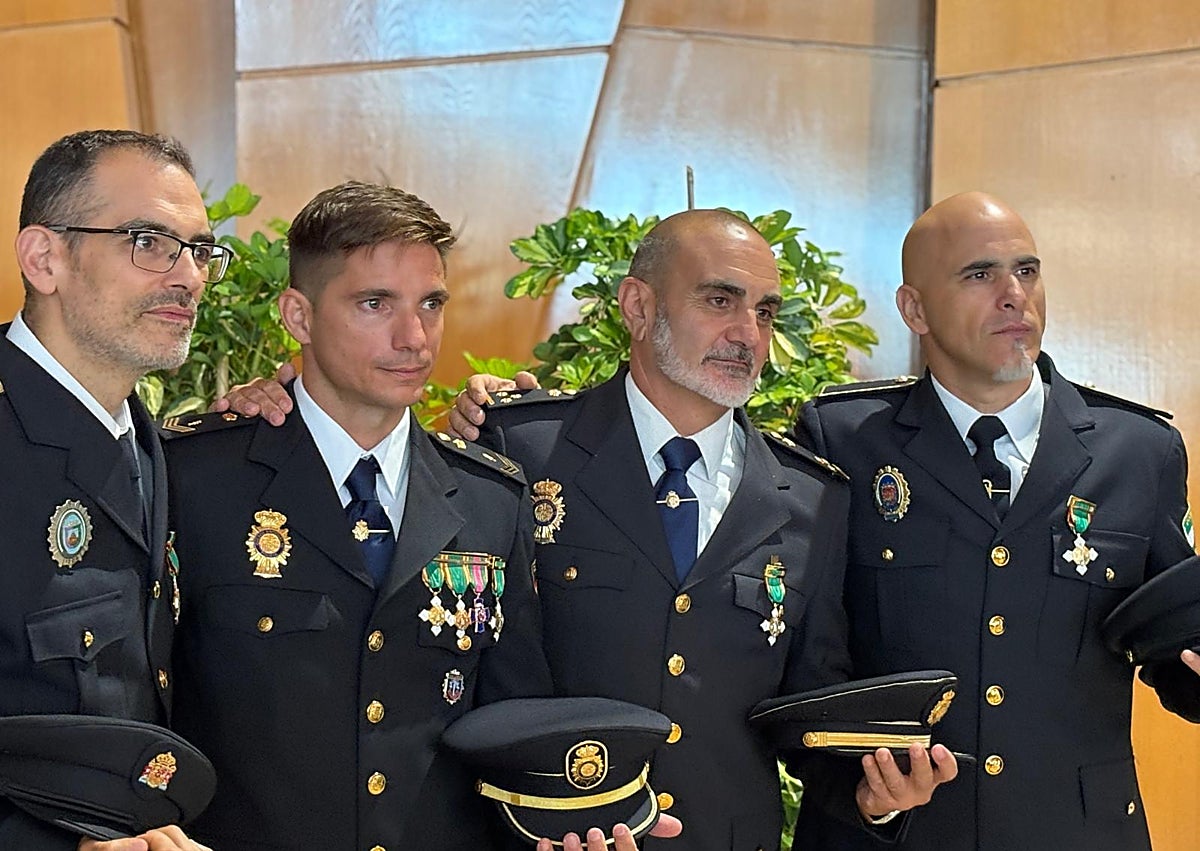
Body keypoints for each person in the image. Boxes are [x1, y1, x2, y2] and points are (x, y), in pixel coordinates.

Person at [163, 181, 678, 851]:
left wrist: (576, 820)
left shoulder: (491, 497)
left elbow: (511, 721)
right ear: (299, 316)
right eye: (375, 304)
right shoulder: (199, 478)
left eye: (430, 304)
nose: (414, 337)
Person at [437, 209, 958, 850]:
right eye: (719, 300)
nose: (747, 333)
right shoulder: (525, 449)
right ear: (637, 306)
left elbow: (808, 710)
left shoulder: (810, 498)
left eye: (765, 313)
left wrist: (870, 794)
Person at [790, 191, 1200, 850]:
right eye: (980, 275)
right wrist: (863, 794)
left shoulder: (1138, 451)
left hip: (1076, 833)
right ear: (914, 309)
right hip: (897, 835)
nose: (1015, 295)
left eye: (1027, 271)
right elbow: (807, 666)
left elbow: (1175, 649)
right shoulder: (844, 442)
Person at [2, 129, 225, 851]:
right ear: (45, 259)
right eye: (149, 241)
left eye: (199, 249)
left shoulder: (145, 440)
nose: (188, 276)